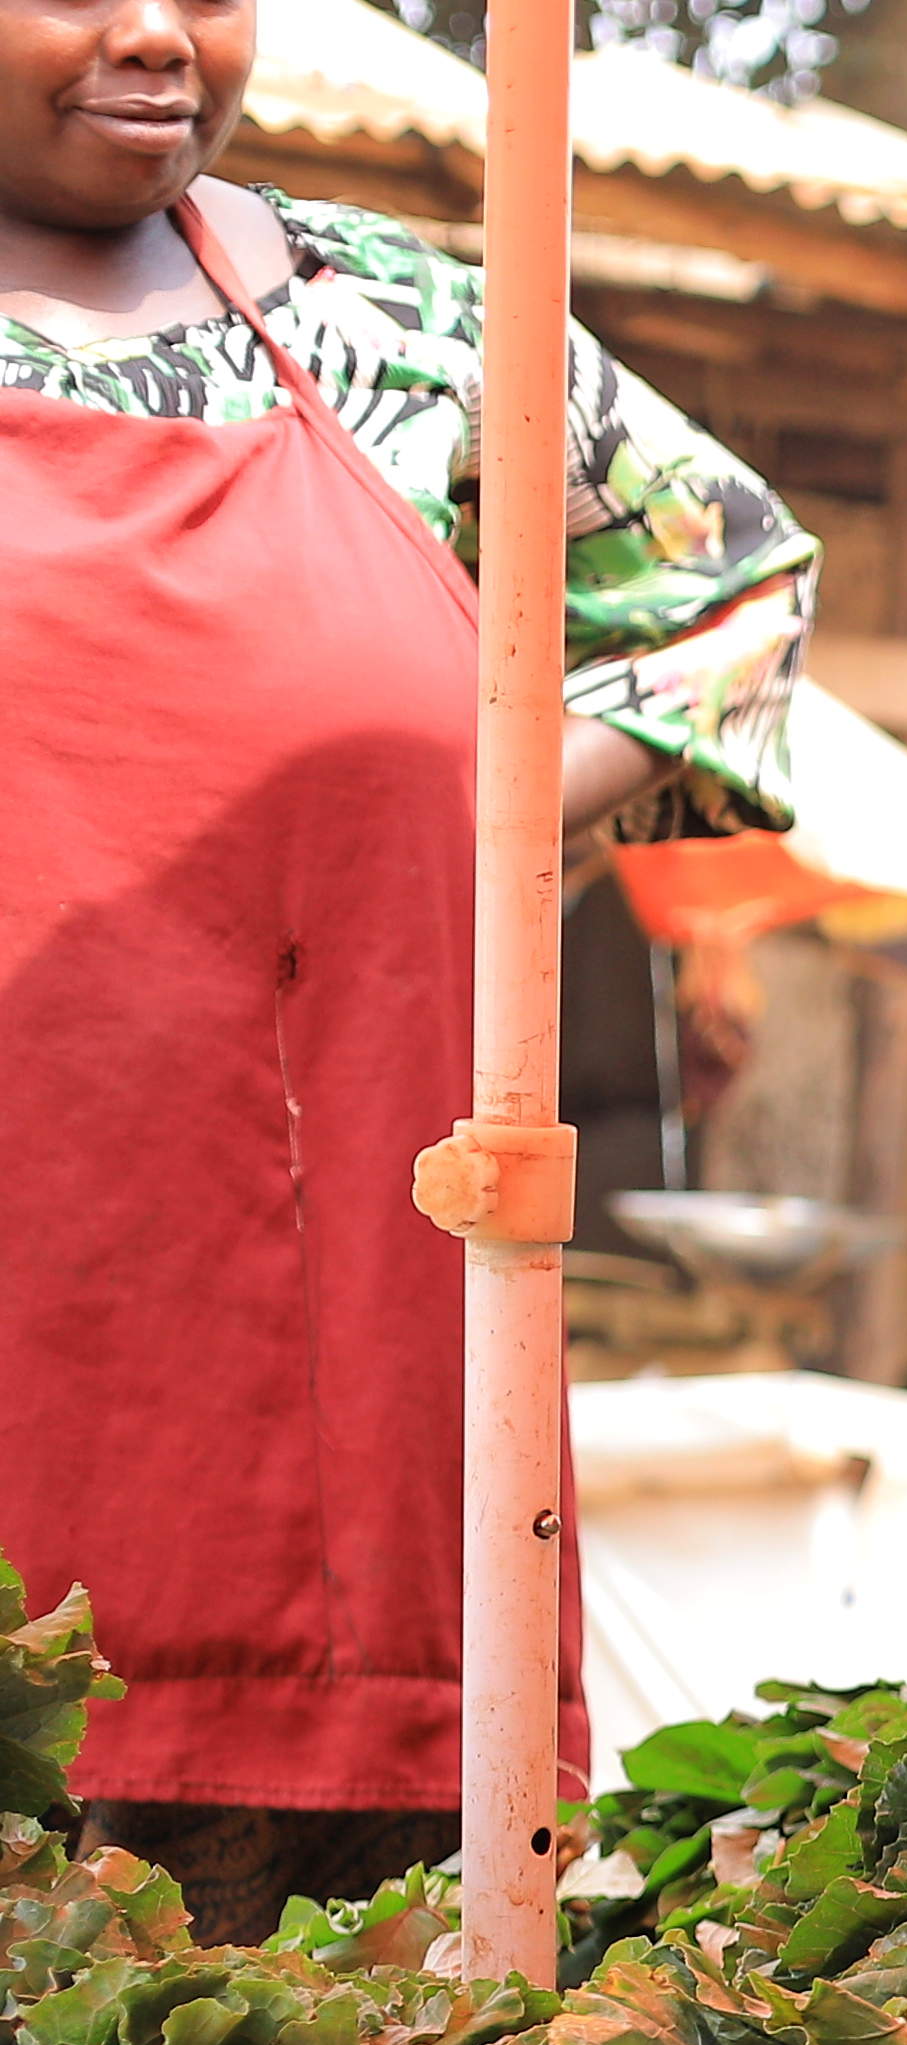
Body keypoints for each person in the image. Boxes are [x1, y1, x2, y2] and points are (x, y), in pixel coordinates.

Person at [2, 0, 806, 1936]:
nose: (155, 36)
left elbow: (734, 596)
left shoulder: (409, 324)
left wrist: (475, 814)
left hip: (336, 1408)